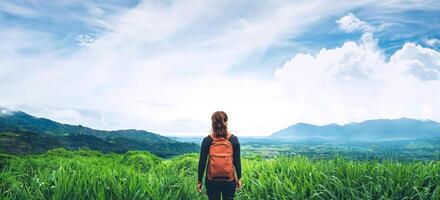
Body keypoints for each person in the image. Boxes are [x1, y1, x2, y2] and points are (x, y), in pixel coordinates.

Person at [197, 111, 242, 200]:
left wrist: (199, 180)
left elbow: (202, 162)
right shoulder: (233, 140)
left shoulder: (207, 140)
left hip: (212, 181)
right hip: (229, 180)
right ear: (226, 122)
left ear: (213, 124)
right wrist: (239, 178)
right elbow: (237, 161)